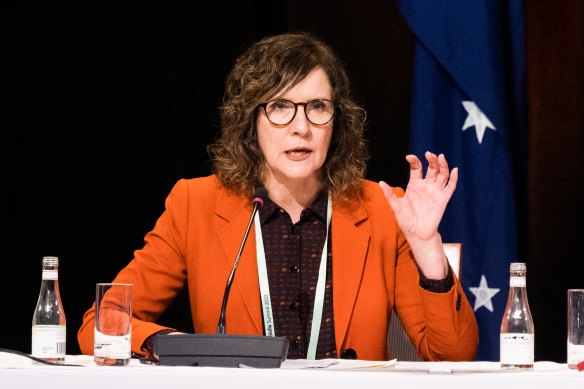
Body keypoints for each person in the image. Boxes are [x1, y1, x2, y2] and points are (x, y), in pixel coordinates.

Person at [78, 32, 478, 361]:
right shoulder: (194, 204)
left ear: (337, 123)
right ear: (251, 121)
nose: (300, 127)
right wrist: (173, 346)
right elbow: (102, 320)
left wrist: (426, 246)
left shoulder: (381, 207)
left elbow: (453, 357)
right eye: (281, 107)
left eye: (317, 107)